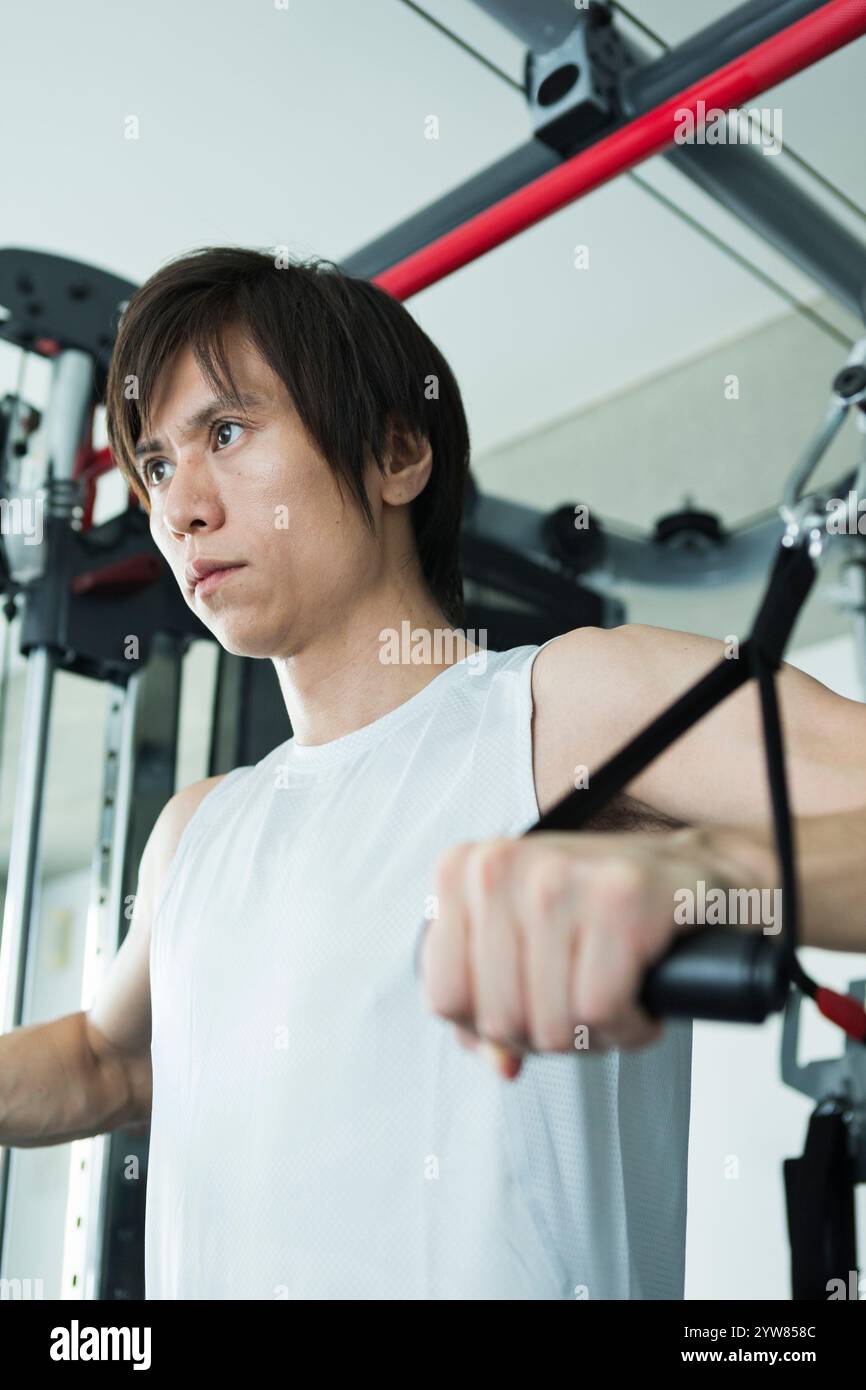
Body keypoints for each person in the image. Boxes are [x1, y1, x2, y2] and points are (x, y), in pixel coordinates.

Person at [2, 247, 865, 1301]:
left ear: (395, 453)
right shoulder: (198, 829)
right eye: (156, 462)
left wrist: (696, 869)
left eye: (225, 433)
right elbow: (115, 1062)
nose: (179, 505)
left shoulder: (562, 705)